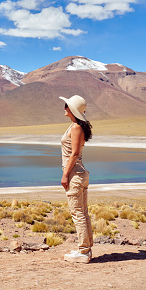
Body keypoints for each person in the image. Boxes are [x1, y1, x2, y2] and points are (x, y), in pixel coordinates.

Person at [59, 95, 93, 263]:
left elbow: (74, 154)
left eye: (66, 105)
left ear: (72, 109)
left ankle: (84, 251)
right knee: (83, 212)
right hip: (79, 173)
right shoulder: (75, 126)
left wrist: (65, 174)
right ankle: (85, 249)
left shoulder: (76, 127)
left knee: (77, 212)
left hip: (75, 174)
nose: (64, 108)